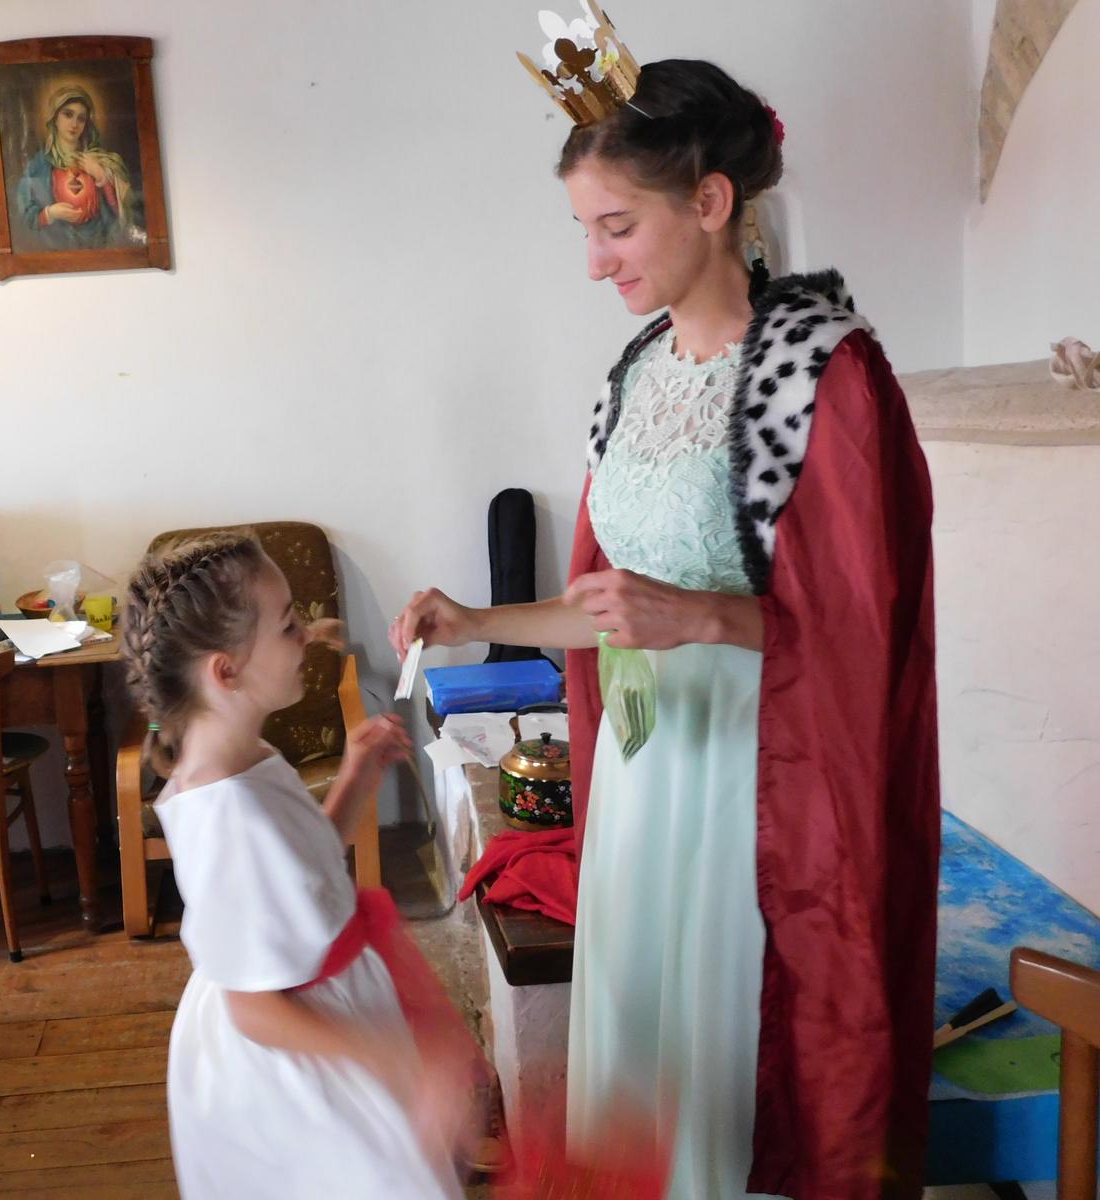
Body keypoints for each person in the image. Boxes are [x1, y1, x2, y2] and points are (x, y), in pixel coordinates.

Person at [391, 59, 939, 1200]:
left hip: (758, 782)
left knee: (727, 1046)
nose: (595, 261)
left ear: (710, 201)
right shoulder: (634, 378)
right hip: (643, 776)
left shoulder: (822, 372)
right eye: (584, 231)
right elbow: (608, 607)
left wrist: (700, 614)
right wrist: (474, 618)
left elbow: (865, 626)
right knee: (644, 1043)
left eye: (616, 226)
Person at [120, 531, 479, 1199]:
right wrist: (396, 1064)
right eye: (289, 624)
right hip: (294, 1056)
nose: (310, 635)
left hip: (326, 1007)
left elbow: (300, 872)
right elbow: (253, 1008)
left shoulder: (244, 756)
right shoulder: (227, 817)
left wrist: (355, 779)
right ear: (226, 671)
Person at [15, 84, 141, 251]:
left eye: (81, 118)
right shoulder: (38, 165)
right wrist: (50, 213)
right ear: (54, 117)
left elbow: (124, 213)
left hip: (100, 244)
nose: (74, 124)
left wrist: (102, 177)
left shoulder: (101, 160)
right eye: (68, 114)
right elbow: (25, 214)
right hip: (57, 246)